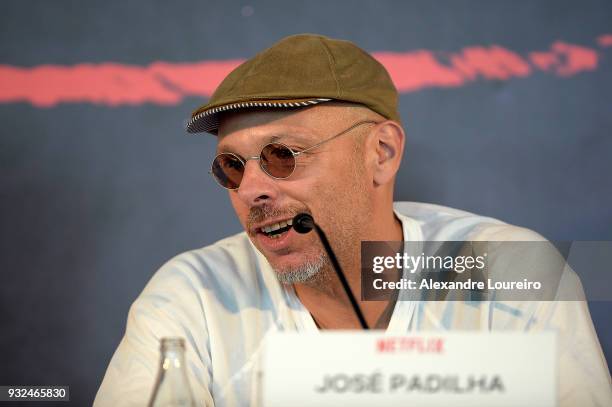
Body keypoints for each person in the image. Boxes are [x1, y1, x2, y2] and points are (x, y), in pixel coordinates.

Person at [94, 34, 611, 406]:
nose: (251, 188)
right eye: (232, 166)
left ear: (381, 154)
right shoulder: (193, 295)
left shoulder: (512, 270)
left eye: (283, 155)